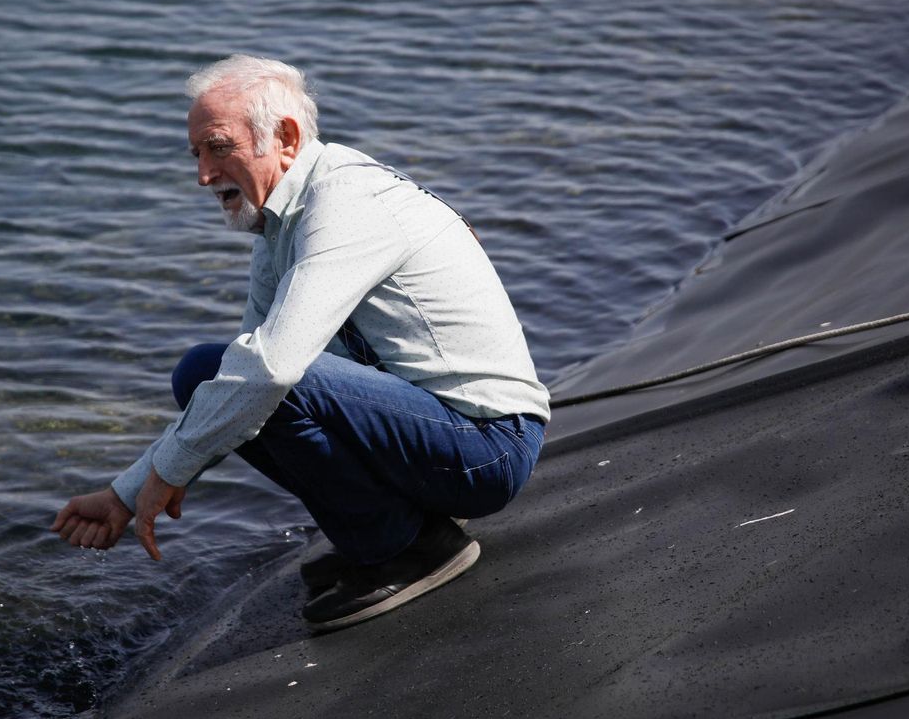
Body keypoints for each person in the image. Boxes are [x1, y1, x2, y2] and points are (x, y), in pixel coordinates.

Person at [51, 55, 550, 631]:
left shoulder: (346, 202)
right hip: (437, 438)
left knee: (261, 372)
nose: (203, 176)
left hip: (488, 446)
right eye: (196, 154)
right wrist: (128, 491)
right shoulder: (280, 224)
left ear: (285, 137)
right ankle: (391, 534)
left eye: (218, 147)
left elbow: (270, 369)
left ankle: (409, 548)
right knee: (205, 374)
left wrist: (171, 471)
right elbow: (238, 380)